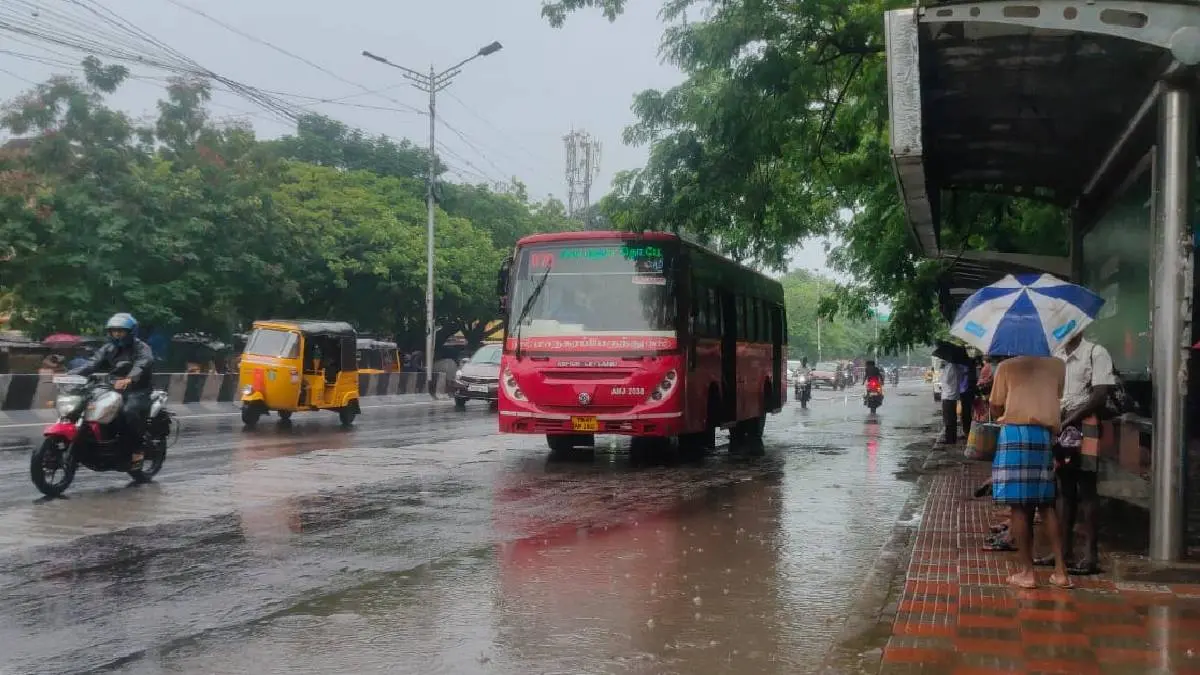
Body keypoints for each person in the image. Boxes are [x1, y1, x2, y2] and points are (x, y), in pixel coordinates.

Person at [989, 352, 1072, 589]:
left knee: (1019, 506)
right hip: (1043, 435)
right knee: (1046, 505)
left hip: (1014, 434)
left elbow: (996, 405)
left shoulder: (1006, 367)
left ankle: (1027, 572)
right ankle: (1061, 571)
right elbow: (1057, 395)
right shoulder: (1057, 365)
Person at [1035, 332, 1115, 576]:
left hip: (1086, 424)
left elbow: (1101, 394)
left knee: (1087, 488)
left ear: (1081, 327)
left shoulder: (1096, 353)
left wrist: (1071, 417)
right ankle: (1063, 551)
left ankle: (1091, 556)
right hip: (1061, 424)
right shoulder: (1056, 356)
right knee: (1063, 488)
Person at [71, 313, 155, 468]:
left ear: (130, 332)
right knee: (87, 404)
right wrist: (69, 375)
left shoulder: (142, 348)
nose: (117, 334)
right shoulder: (108, 348)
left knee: (128, 412)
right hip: (112, 387)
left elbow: (142, 364)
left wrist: (129, 378)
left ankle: (137, 449)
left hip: (137, 390)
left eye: (121, 331)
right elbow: (92, 364)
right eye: (113, 331)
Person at [939, 359, 965, 445]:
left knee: (948, 419)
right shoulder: (956, 366)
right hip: (953, 395)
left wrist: (943, 370)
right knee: (952, 418)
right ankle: (952, 438)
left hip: (948, 395)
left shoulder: (950, 366)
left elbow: (946, 380)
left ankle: (949, 439)